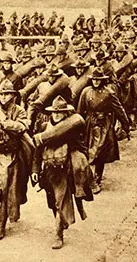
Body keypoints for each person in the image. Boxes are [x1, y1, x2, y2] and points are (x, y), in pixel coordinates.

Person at [32, 95, 93, 249]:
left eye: (60, 112)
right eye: (54, 112)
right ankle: (61, 221)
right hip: (48, 170)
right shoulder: (44, 127)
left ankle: (58, 234)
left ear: (66, 113)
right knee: (52, 203)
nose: (57, 115)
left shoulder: (71, 127)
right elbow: (38, 151)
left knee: (60, 201)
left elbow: (79, 145)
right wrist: (35, 169)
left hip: (64, 170)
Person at [0, 79, 34, 241]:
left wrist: (3, 123)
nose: (3, 97)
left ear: (12, 95)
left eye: (7, 94)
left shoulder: (19, 110)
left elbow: (22, 127)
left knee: (8, 190)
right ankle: (2, 218)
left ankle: (1, 226)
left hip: (12, 157)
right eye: (1, 94)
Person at [77, 67, 130, 194]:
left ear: (102, 80)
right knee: (87, 151)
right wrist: (78, 126)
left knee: (100, 151)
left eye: (98, 80)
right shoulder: (86, 92)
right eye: (94, 79)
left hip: (103, 125)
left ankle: (97, 177)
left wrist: (126, 125)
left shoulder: (109, 93)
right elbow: (80, 111)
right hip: (90, 124)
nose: (95, 82)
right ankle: (88, 177)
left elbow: (119, 110)